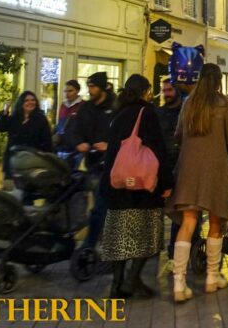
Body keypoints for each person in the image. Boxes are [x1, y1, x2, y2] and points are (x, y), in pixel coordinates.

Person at [168, 64, 228, 303]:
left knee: (188, 223)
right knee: (216, 222)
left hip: (189, 169)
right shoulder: (224, 104)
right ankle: (211, 277)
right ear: (219, 81)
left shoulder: (189, 103)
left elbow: (178, 135)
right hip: (216, 169)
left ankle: (179, 283)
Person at [98, 74, 172, 299]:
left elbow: (111, 151)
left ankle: (117, 284)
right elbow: (158, 149)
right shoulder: (146, 113)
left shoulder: (117, 114)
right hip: (141, 188)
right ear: (145, 92)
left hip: (118, 185)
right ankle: (132, 280)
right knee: (148, 234)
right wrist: (166, 182)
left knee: (120, 238)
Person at [67, 72, 118, 248]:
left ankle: (91, 245)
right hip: (92, 162)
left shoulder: (115, 107)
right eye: (89, 86)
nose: (90, 90)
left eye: (93, 86)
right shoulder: (86, 108)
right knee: (91, 203)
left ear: (102, 87)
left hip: (110, 165)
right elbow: (75, 130)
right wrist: (79, 143)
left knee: (99, 206)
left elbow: (123, 135)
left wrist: (109, 145)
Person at [0, 91, 52, 181]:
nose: (30, 102)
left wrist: (48, 160)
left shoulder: (40, 119)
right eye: (27, 100)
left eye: (33, 100)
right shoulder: (15, 118)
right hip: (13, 161)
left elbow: (47, 141)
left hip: (32, 162)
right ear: (21, 103)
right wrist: (4, 111)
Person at [155, 74, 184, 251]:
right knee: (158, 209)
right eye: (164, 90)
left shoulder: (185, 112)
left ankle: (176, 246)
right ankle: (155, 244)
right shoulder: (159, 113)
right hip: (161, 165)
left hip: (180, 165)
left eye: (169, 90)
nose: (166, 94)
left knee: (179, 209)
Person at [54, 80, 82, 156]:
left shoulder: (83, 106)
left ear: (77, 91)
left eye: (70, 91)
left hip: (76, 150)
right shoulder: (63, 105)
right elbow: (60, 124)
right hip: (61, 147)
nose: (67, 94)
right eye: (65, 91)